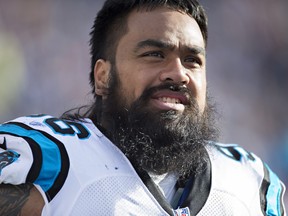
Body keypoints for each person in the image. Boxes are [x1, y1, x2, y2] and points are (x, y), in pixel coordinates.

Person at [0, 0, 286, 215]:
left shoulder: (247, 181)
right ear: (103, 77)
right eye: (154, 54)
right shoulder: (48, 160)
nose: (178, 73)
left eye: (192, 60)